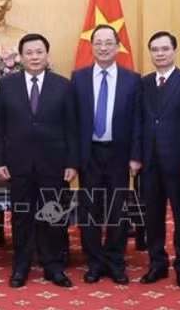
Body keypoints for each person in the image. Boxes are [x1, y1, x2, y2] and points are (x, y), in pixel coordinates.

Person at [0, 33, 78, 288]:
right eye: (29, 52)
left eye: (39, 52)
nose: (34, 57)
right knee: (21, 217)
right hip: (18, 164)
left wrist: (72, 163)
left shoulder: (63, 85)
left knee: (53, 216)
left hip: (54, 164)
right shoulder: (7, 85)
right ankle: (21, 266)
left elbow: (72, 127)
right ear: (20, 57)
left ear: (47, 55)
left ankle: (53, 266)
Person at [71, 24, 141, 285]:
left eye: (108, 43)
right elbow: (72, 122)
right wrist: (73, 159)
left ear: (117, 46)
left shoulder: (132, 79)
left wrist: (136, 155)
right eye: (97, 43)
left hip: (119, 154)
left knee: (117, 210)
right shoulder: (77, 78)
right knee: (88, 211)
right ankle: (94, 261)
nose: (102, 48)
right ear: (91, 47)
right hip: (89, 154)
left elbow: (137, 121)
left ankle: (115, 261)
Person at [139, 31, 180, 289]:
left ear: (174, 51)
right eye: (155, 49)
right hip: (150, 163)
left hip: (179, 163)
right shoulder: (143, 83)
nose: (160, 54)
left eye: (165, 49)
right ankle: (157, 263)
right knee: (152, 216)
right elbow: (140, 122)